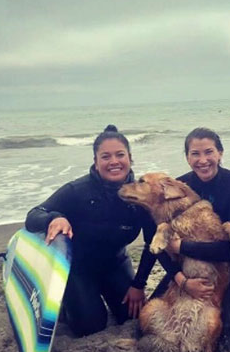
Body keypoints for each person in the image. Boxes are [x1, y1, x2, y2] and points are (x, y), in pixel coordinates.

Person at [25, 125, 162, 337]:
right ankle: (67, 301)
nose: (114, 161)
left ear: (130, 158)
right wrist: (55, 217)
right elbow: (34, 215)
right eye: (105, 156)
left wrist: (138, 285)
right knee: (89, 326)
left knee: (132, 316)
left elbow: (152, 244)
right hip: (79, 269)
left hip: (116, 264)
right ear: (96, 162)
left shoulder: (141, 196)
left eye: (120, 155)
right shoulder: (77, 191)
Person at [131, 127, 230, 352]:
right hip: (185, 268)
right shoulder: (178, 188)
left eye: (209, 152)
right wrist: (180, 281)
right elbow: (156, 243)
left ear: (220, 153)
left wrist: (182, 246)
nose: (203, 160)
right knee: (143, 329)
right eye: (195, 154)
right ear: (187, 157)